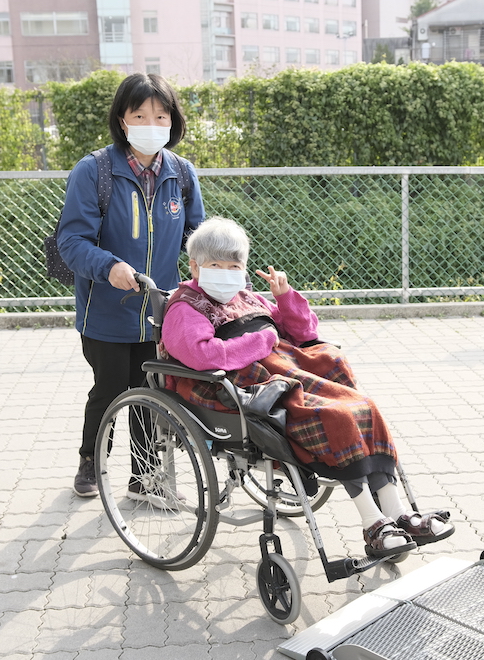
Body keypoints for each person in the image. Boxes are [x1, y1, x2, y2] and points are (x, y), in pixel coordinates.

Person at [161, 217, 453, 559]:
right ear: (194, 266)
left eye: (234, 265)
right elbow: (202, 355)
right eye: (215, 265)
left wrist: (284, 298)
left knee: (365, 408)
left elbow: (303, 332)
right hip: (242, 386)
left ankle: (397, 511)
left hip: (286, 370)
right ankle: (373, 523)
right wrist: (263, 339)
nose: (225, 272)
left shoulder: (247, 297)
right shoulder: (186, 307)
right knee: (338, 417)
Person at [58, 73, 204, 498]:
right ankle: (91, 459)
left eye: (161, 115)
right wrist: (108, 267)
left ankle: (145, 478)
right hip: (105, 311)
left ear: (172, 120)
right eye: (140, 114)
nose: (151, 123)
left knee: (151, 393)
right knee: (109, 390)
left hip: (160, 312)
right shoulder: (94, 171)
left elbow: (197, 234)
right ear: (123, 120)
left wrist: (214, 267)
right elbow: (72, 240)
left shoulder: (181, 172)